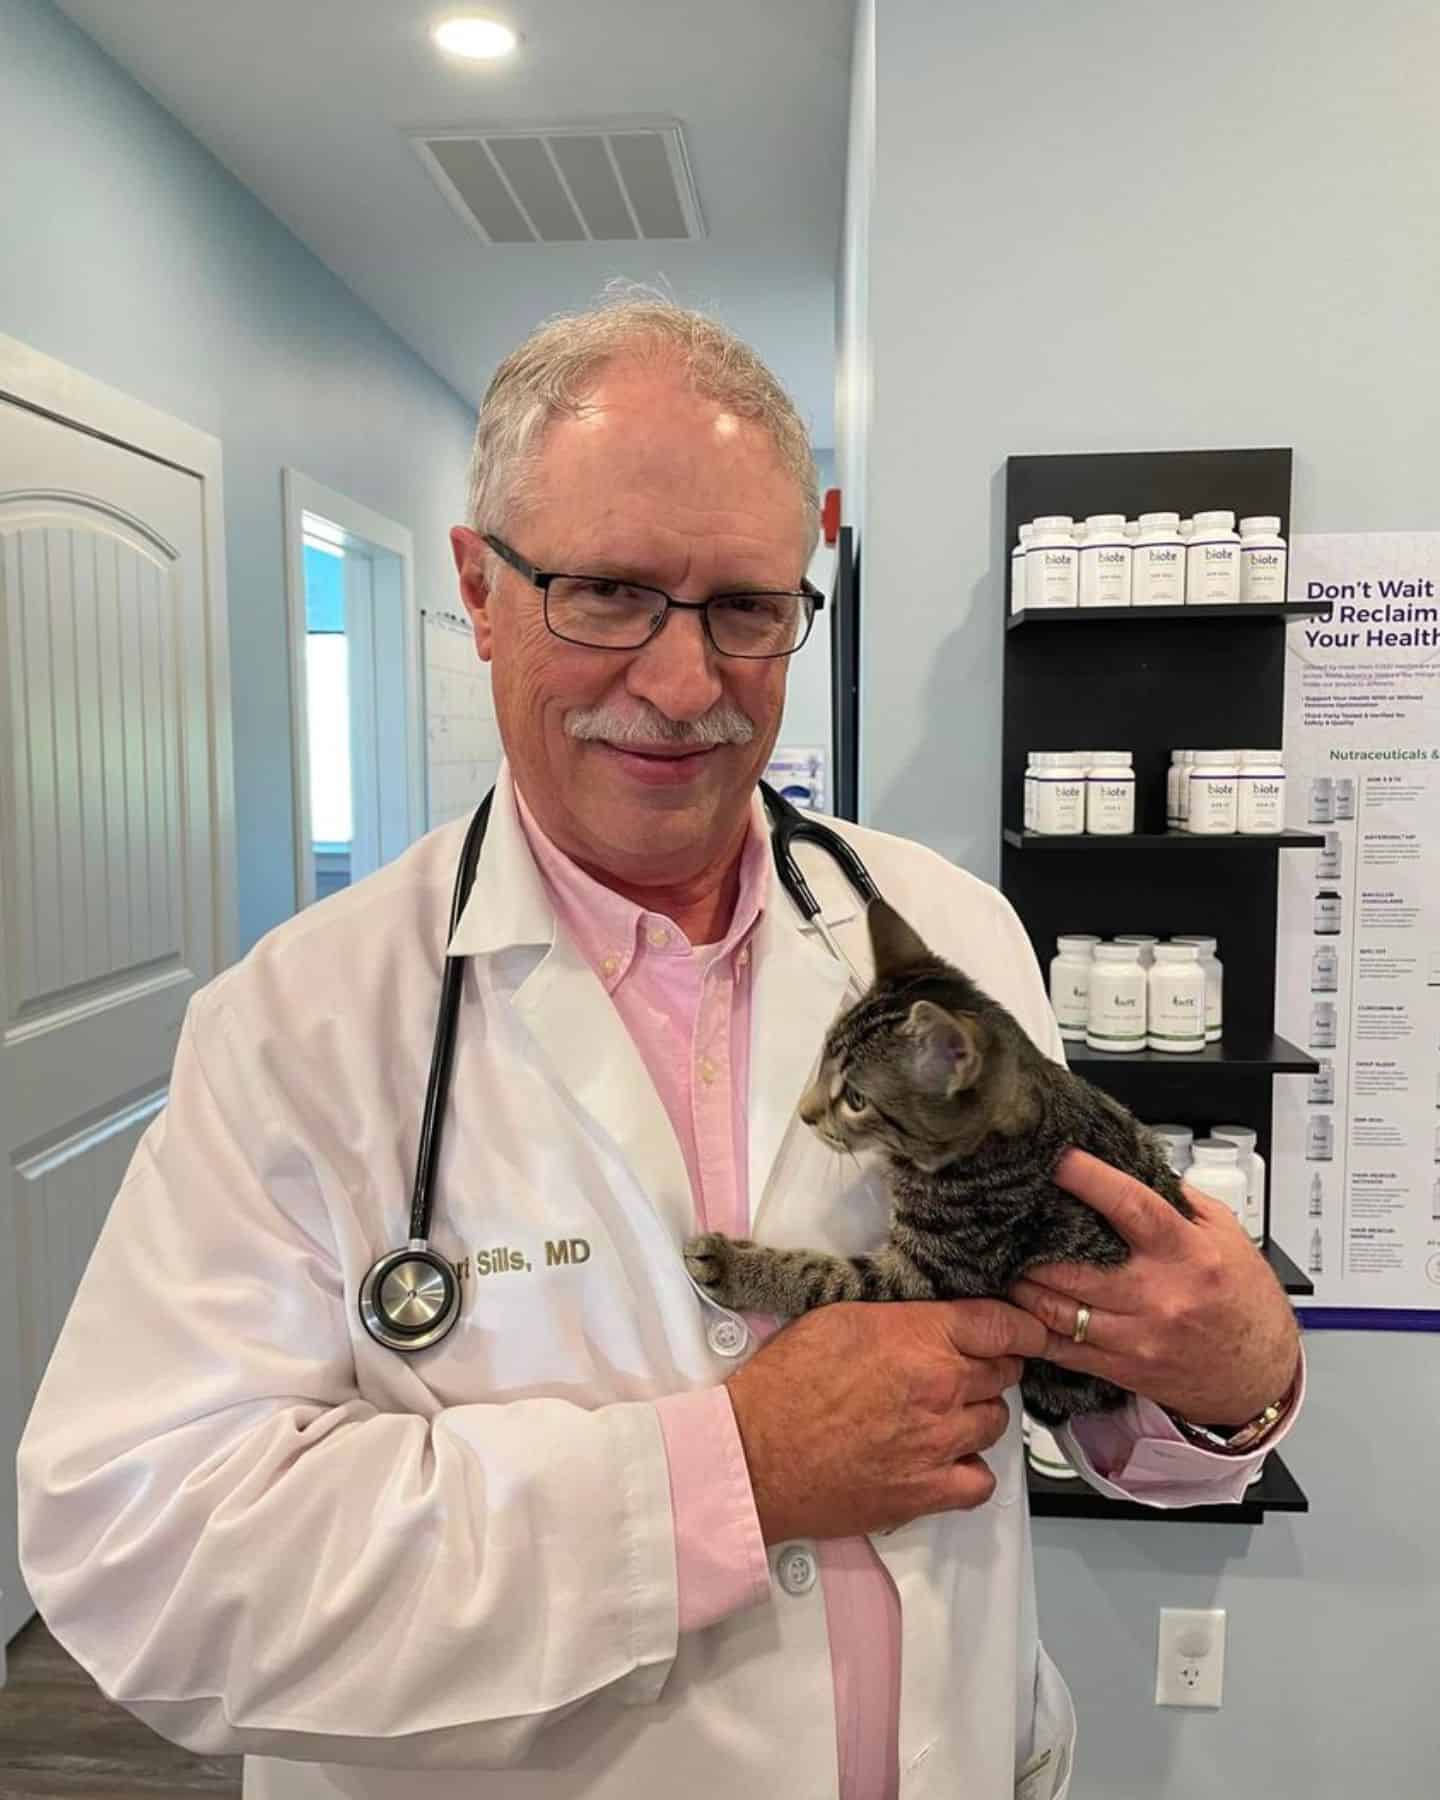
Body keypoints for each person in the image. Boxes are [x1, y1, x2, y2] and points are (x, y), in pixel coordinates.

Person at [17, 295, 1304, 1800]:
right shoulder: (300, 1027)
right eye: (609, 593)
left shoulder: (951, 933)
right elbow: (148, 1565)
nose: (686, 686)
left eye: (748, 608)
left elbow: (1087, 1362)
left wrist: (1231, 1388)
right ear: (479, 592)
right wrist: (726, 1478)